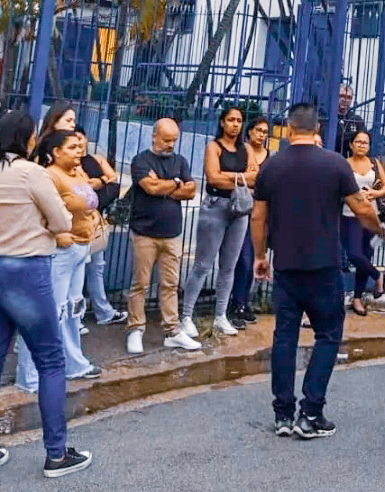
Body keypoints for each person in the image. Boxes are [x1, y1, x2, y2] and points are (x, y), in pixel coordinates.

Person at [0, 109, 91, 478]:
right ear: (25, 138)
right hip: (26, 270)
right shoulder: (30, 172)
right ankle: (56, 454)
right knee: (50, 361)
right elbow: (62, 221)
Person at [252, 103, 383, 440]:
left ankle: (282, 413)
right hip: (324, 264)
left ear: (290, 129)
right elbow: (360, 207)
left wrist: (259, 256)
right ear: (318, 131)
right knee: (327, 335)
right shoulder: (334, 164)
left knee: (285, 336)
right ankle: (310, 413)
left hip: (286, 264)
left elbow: (257, 217)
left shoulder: (272, 166)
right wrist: (378, 228)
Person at [15, 129, 101, 390]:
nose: (79, 152)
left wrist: (94, 219)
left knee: (73, 310)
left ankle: (73, 363)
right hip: (61, 252)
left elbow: (88, 204)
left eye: (80, 147)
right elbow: (36, 212)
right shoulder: (49, 176)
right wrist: (58, 233)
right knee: (48, 312)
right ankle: (30, 374)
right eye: (73, 147)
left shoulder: (78, 173)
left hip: (81, 249)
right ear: (55, 152)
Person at [181, 106, 259, 337]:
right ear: (222, 122)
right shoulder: (213, 147)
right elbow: (213, 177)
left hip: (240, 209)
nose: (235, 124)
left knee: (229, 267)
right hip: (215, 207)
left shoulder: (246, 149)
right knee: (202, 265)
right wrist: (243, 178)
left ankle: (221, 315)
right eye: (231, 120)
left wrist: (230, 178)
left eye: (239, 120)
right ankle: (186, 315)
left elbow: (257, 176)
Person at [126, 119, 198, 355]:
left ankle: (172, 331)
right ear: (154, 136)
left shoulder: (180, 161)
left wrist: (167, 185)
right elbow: (150, 188)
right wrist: (176, 184)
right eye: (166, 139)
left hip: (172, 233)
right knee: (141, 284)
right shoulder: (141, 160)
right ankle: (135, 329)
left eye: (174, 140)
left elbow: (191, 189)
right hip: (144, 232)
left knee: (170, 284)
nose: (170, 144)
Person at [77, 129, 127, 326]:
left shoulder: (95, 159)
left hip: (96, 222)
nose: (79, 144)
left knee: (97, 268)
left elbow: (113, 180)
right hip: (78, 223)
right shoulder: (70, 165)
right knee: (76, 270)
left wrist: (99, 182)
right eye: (74, 141)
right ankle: (76, 317)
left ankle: (103, 311)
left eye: (81, 139)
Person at [342, 130, 385, 316]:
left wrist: (374, 194)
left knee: (365, 256)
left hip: (372, 215)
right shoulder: (344, 164)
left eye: (365, 142)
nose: (362, 145)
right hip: (350, 215)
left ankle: (358, 298)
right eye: (358, 142)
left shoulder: (375, 163)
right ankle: (377, 275)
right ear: (351, 145)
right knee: (354, 253)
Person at [230, 116, 270, 327]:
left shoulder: (269, 156)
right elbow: (244, 181)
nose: (261, 135)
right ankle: (236, 303)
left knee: (254, 259)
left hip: (261, 214)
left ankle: (244, 302)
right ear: (250, 131)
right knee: (243, 260)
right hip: (242, 210)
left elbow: (267, 183)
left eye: (265, 131)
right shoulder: (242, 151)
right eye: (258, 130)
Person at [335, 84, 367, 157]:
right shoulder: (326, 117)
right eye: (342, 96)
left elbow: (363, 139)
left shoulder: (356, 119)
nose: (345, 100)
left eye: (349, 97)